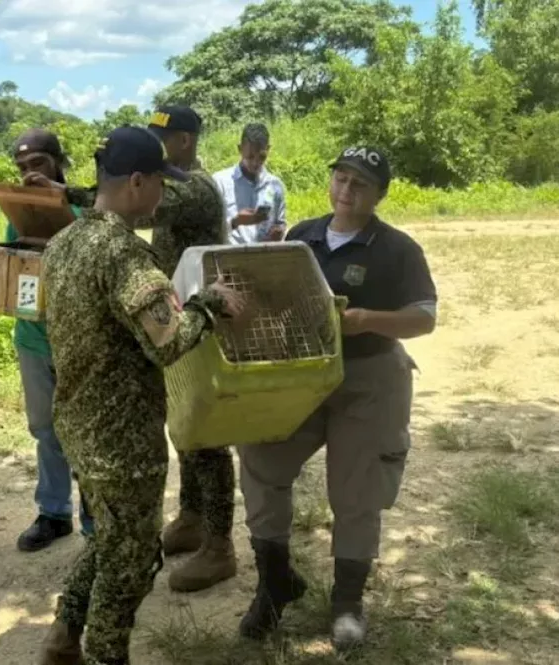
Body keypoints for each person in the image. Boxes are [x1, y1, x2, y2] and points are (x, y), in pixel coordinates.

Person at [37, 126, 247, 665]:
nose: (163, 195)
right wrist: (209, 305)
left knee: (110, 538)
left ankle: (63, 638)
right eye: (159, 183)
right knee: (131, 561)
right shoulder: (127, 256)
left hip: (78, 423)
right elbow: (170, 340)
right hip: (123, 438)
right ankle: (106, 653)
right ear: (136, 182)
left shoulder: (64, 242)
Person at [234, 146, 437, 649]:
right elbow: (273, 294)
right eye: (341, 179)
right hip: (303, 373)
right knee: (261, 460)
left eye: (360, 184)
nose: (347, 191)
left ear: (379, 195)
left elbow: (424, 318)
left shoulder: (397, 249)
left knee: (357, 493)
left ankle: (347, 603)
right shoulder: (303, 235)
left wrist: (366, 319)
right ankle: (275, 585)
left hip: (370, 378)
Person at [145, 105, 238, 593]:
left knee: (206, 429)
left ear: (182, 142)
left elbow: (139, 205)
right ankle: (192, 516)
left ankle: (220, 546)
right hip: (180, 314)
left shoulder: (194, 189)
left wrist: (73, 195)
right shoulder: (179, 184)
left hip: (202, 319)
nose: (154, 148)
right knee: (182, 421)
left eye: (159, 139)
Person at [7, 128, 98, 551]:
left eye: (38, 164)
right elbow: (17, 269)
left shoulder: (87, 210)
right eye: (22, 168)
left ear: (58, 162)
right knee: (46, 429)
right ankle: (53, 513)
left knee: (85, 430)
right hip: (34, 339)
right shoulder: (17, 214)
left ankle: (96, 518)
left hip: (79, 341)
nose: (30, 176)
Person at [212, 122, 288, 244]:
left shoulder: (275, 186)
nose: (255, 163)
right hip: (231, 258)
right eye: (250, 156)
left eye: (262, 157)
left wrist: (279, 231)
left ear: (268, 150)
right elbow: (210, 231)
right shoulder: (220, 182)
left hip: (265, 257)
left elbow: (281, 222)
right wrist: (235, 222)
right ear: (240, 149)